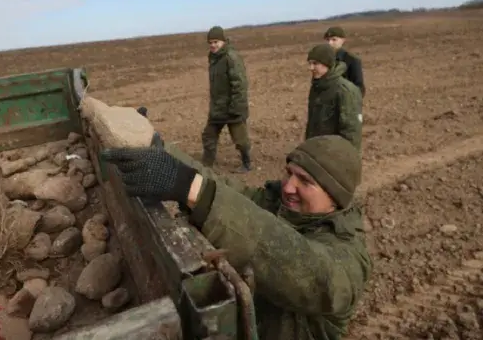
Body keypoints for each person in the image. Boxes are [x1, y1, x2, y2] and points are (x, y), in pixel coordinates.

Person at [101, 133, 372, 340]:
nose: (289, 187)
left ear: (335, 198)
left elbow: (306, 269)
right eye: (289, 173)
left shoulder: (348, 259)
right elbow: (226, 191)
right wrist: (160, 150)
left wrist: (191, 188)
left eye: (305, 181)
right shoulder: (280, 204)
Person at [202, 25, 252, 173]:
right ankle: (206, 164)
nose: (212, 45)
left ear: (223, 41)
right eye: (210, 42)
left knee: (240, 139)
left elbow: (240, 84)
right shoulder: (214, 58)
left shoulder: (231, 57)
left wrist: (236, 108)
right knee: (209, 136)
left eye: (216, 42)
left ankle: (246, 163)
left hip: (232, 107)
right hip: (218, 107)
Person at [305, 43, 363, 151]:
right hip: (318, 150)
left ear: (327, 64)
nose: (311, 68)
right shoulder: (317, 87)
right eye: (309, 63)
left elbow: (351, 133)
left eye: (315, 63)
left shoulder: (345, 91)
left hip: (335, 155)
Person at [324, 26, 365, 97]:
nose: (330, 43)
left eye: (334, 40)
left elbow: (359, 88)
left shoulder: (352, 60)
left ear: (343, 40)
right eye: (328, 40)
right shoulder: (324, 59)